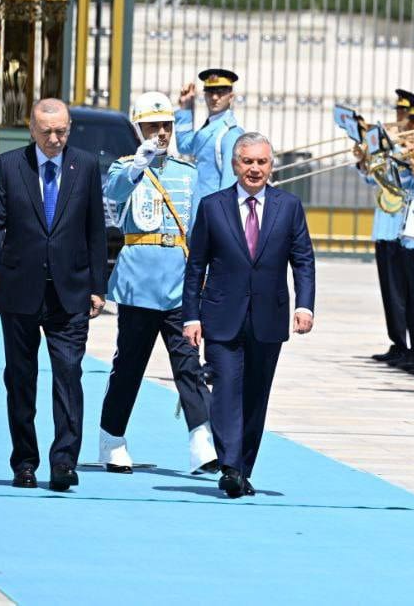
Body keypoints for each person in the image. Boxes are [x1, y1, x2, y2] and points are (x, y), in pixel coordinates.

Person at [0, 98, 108, 492]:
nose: (54, 139)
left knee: (68, 374)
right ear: (32, 129)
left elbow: (95, 229)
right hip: (20, 288)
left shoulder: (85, 165)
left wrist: (98, 286)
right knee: (20, 379)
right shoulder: (9, 165)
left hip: (70, 292)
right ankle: (25, 462)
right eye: (47, 131)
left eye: (61, 131)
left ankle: (64, 461)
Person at [182, 131, 317, 498]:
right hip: (221, 316)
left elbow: (303, 259)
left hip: (269, 317)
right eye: (248, 161)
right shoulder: (213, 207)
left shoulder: (289, 206)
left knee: (256, 395)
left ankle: (243, 468)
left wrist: (304, 305)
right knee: (226, 389)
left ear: (271, 165)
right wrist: (191, 316)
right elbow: (196, 266)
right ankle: (229, 466)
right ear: (235, 165)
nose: (254, 169)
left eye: (262, 162)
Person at [98, 91, 217, 476]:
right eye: (152, 127)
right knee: (129, 366)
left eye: (165, 126)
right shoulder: (124, 168)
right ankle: (112, 439)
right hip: (138, 282)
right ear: (139, 129)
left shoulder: (187, 173)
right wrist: (139, 164)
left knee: (188, 364)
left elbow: (198, 228)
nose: (161, 133)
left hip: (179, 282)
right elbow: (114, 194)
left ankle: (201, 440)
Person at [175, 68, 244, 199]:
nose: (214, 97)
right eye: (210, 92)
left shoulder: (230, 133)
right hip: (199, 203)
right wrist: (185, 107)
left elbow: (230, 181)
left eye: (220, 92)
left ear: (231, 97)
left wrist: (222, 209)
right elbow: (184, 145)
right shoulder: (211, 127)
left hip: (213, 206)